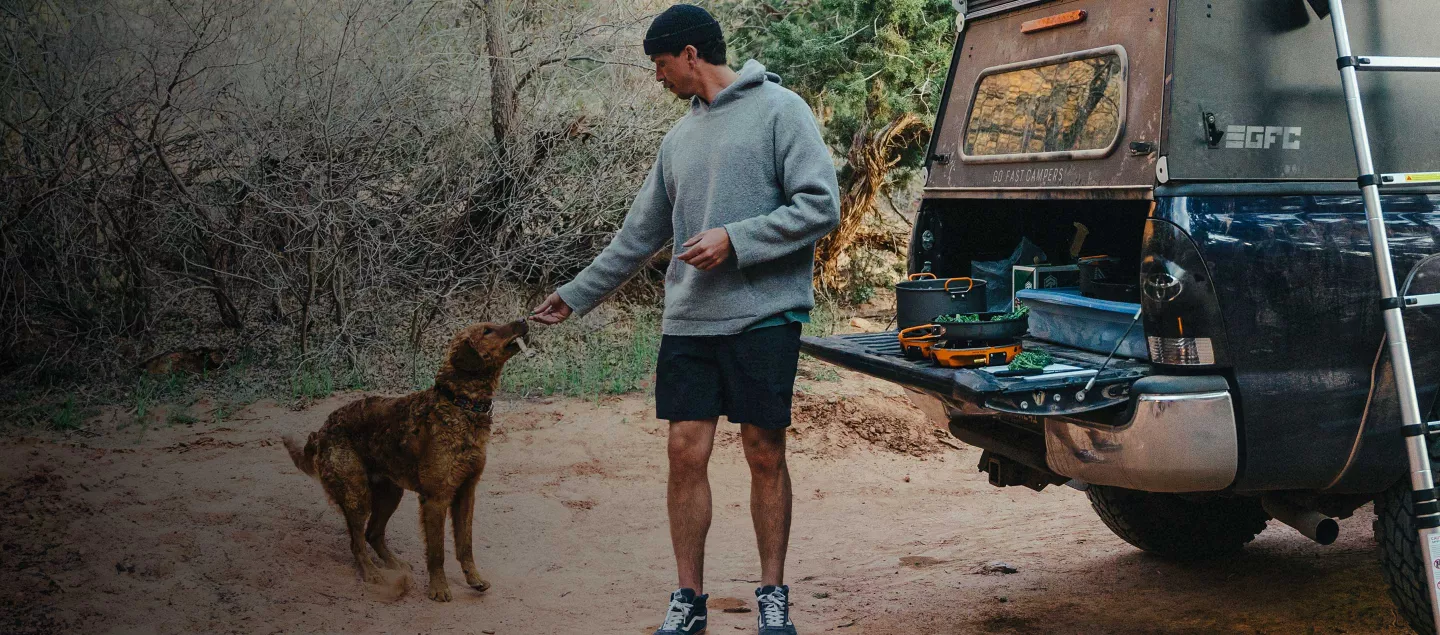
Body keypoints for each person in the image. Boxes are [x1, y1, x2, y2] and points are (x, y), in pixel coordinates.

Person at [529, 5, 840, 633]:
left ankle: (772, 597)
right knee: (683, 451)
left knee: (763, 451)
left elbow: (821, 205)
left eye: (661, 64)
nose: (658, 77)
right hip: (691, 321)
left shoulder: (783, 111)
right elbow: (638, 234)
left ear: (691, 54)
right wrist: (576, 293)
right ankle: (689, 599)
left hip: (763, 315)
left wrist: (736, 237)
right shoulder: (679, 138)